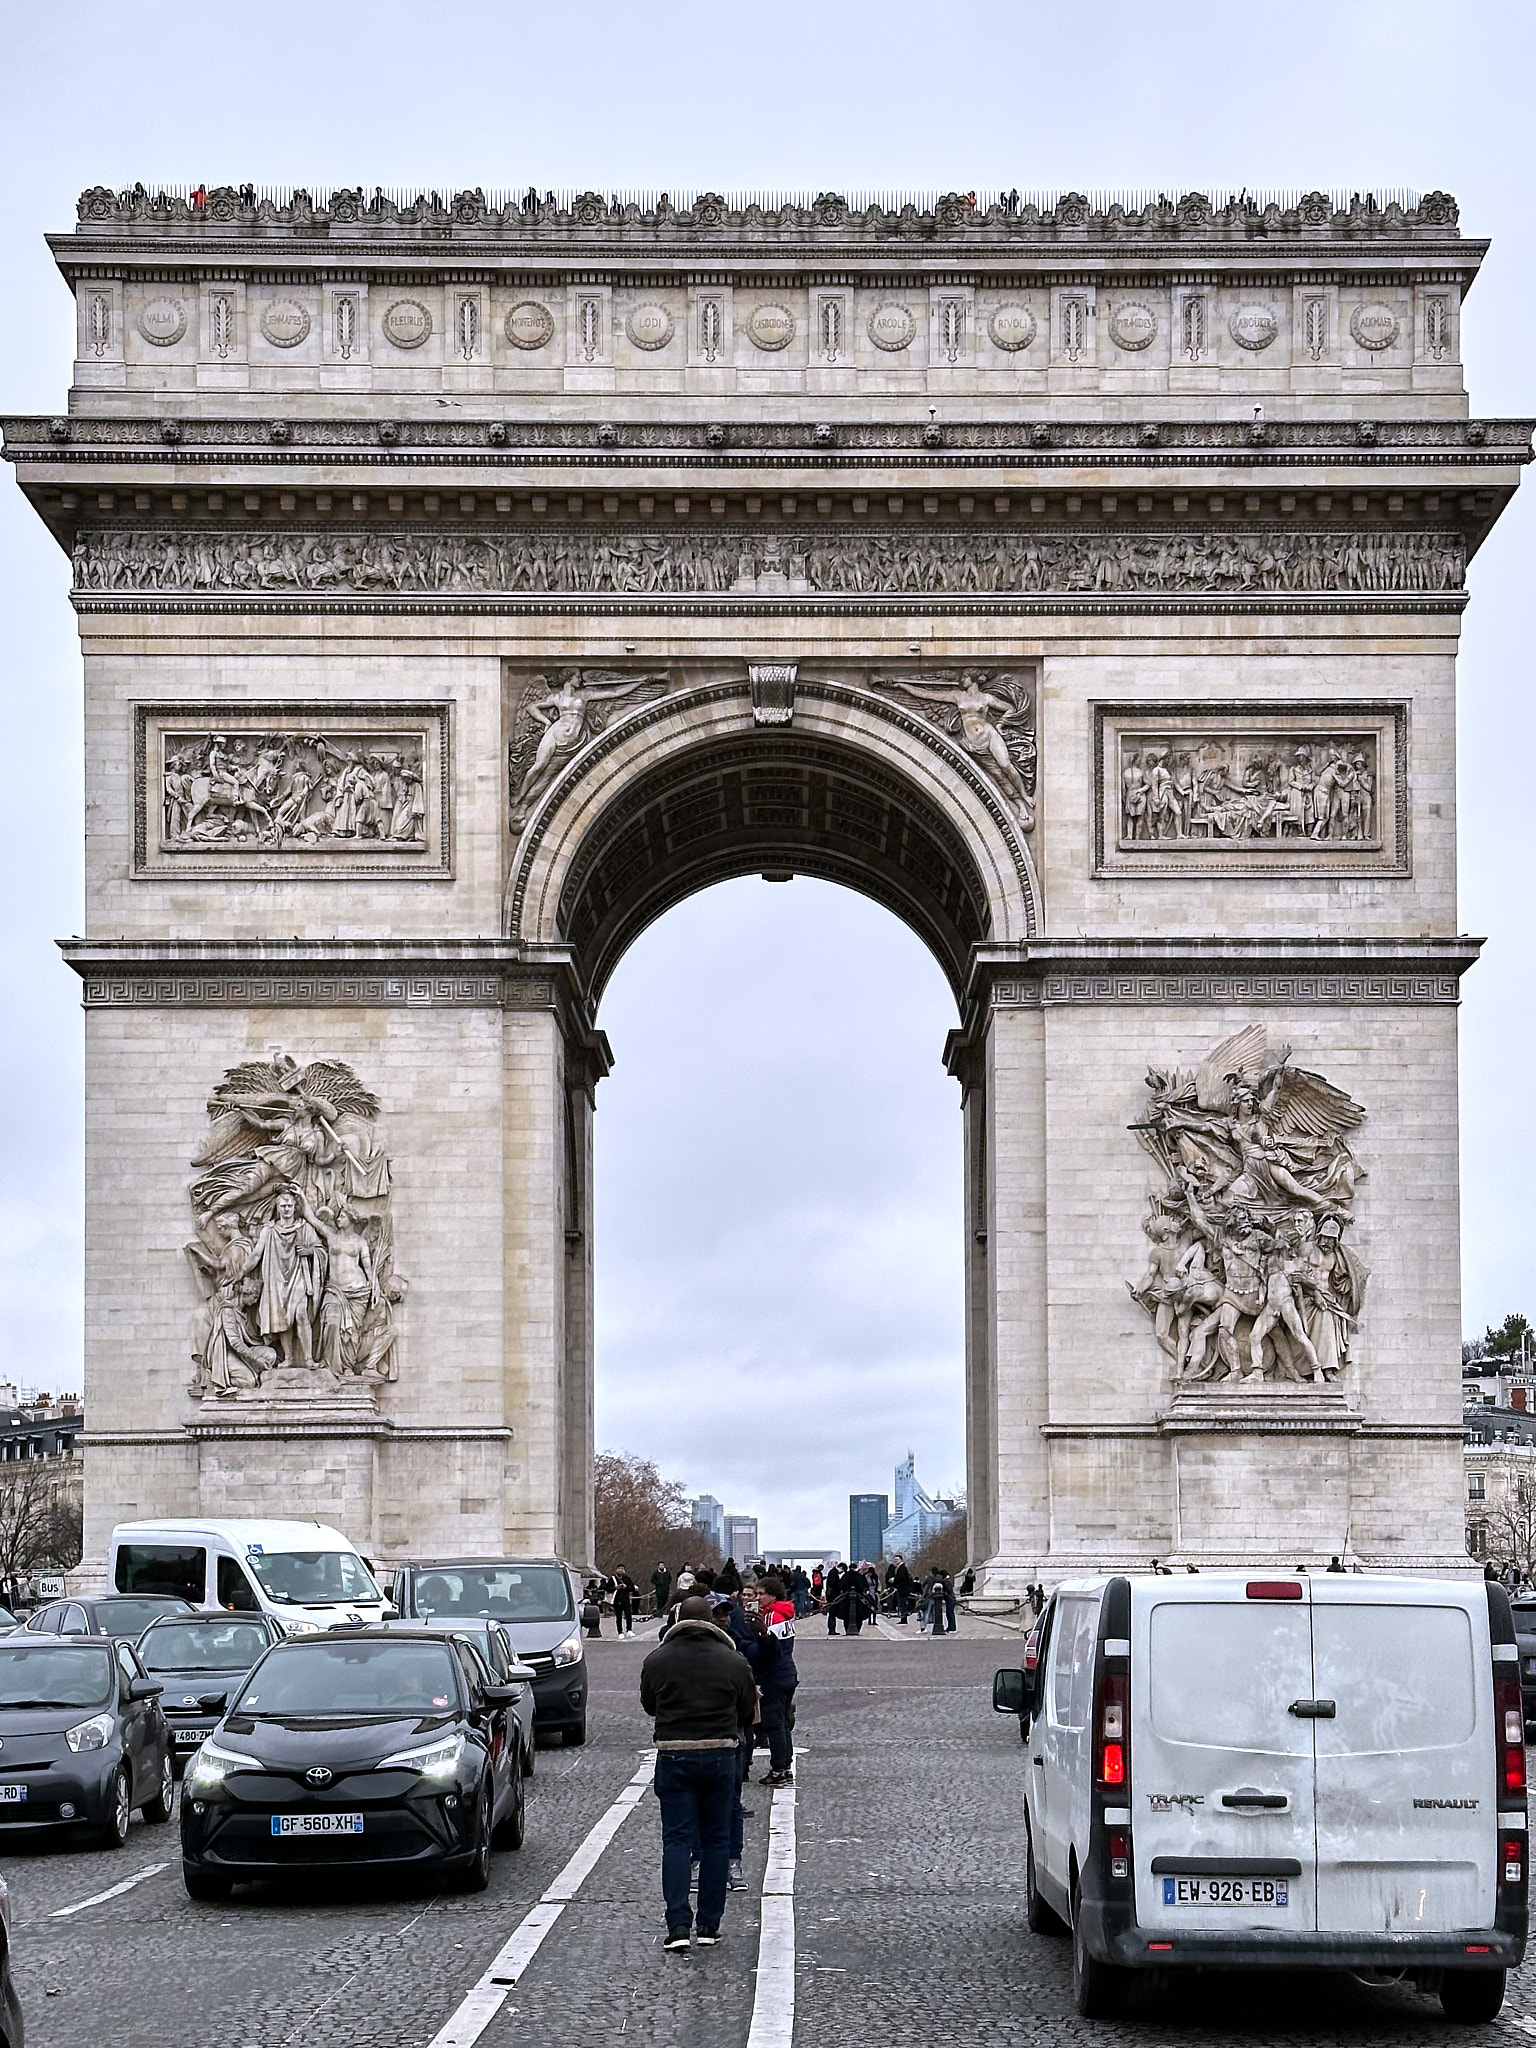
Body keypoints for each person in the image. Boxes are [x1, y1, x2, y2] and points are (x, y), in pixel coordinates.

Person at [640, 1595, 757, 1951]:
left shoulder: (657, 1659)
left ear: (678, 1620)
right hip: (721, 1754)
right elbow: (745, 1709)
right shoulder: (734, 1661)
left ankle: (677, 1926)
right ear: (713, 1622)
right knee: (716, 1841)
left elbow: (648, 1706)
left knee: (676, 1840)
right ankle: (709, 1925)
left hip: (674, 1754)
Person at [755, 1577, 799, 1786]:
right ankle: (785, 1765)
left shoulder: (772, 1617)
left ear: (773, 1595)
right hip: (787, 1671)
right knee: (782, 1722)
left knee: (774, 1723)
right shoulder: (785, 1613)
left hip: (774, 1675)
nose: (758, 1597)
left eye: (761, 1593)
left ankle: (779, 1768)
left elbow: (769, 1649)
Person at [612, 1569, 636, 1636]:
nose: (620, 1570)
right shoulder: (613, 1578)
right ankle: (620, 1632)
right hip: (617, 1600)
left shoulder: (627, 1578)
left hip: (626, 1599)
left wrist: (626, 1587)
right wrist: (615, 1587)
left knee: (628, 1615)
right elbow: (608, 1588)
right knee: (619, 1617)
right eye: (619, 1569)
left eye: (622, 1569)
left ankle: (629, 1630)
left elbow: (632, 1588)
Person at [824, 1562, 845, 1635]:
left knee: (832, 1613)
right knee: (832, 1613)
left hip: (831, 1595)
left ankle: (832, 1629)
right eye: (842, 1571)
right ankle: (832, 1629)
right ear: (841, 1568)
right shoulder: (834, 1573)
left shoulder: (832, 1572)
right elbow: (834, 1584)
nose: (841, 1573)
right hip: (833, 1596)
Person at [891, 1554, 914, 1624]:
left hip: (902, 1589)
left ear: (901, 1560)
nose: (895, 1561)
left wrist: (894, 1579)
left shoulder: (902, 1568)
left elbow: (901, 1577)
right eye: (895, 1559)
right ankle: (903, 1618)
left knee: (902, 1604)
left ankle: (903, 1619)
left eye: (897, 1559)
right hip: (901, 1588)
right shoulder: (899, 1567)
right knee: (901, 1604)